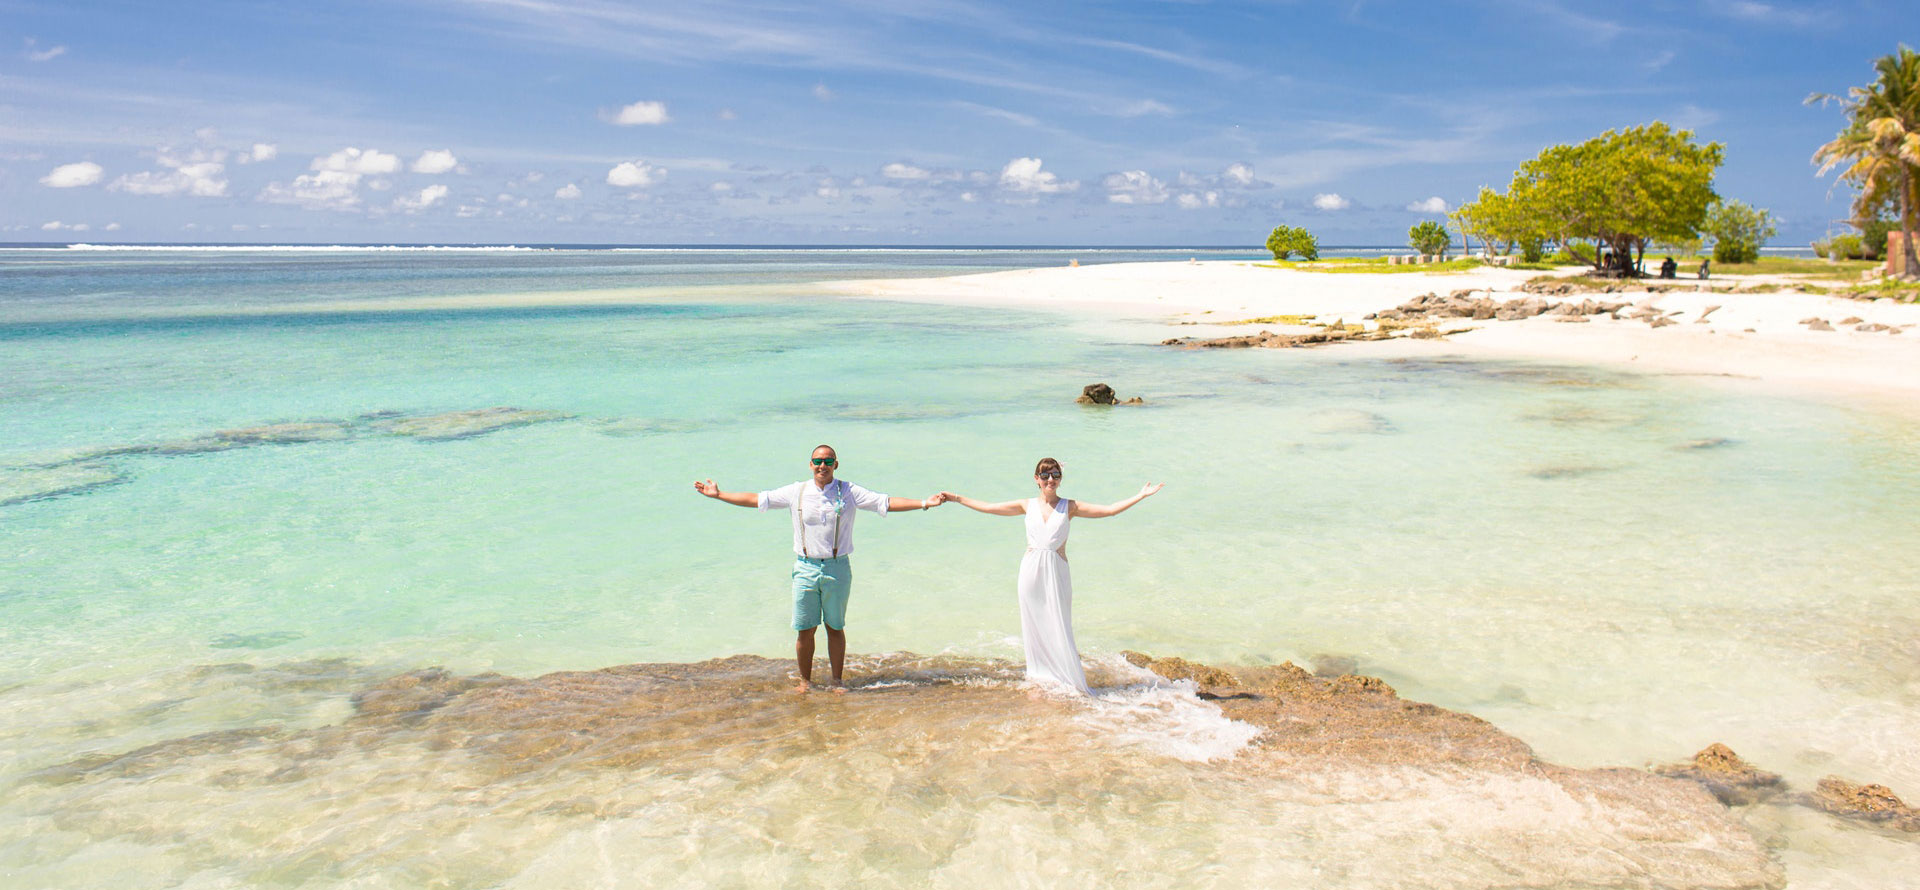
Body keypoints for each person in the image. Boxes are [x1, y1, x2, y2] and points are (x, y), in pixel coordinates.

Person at [694, 445, 943, 694]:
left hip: (838, 568)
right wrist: (719, 495)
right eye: (818, 461)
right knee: (805, 629)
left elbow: (885, 502)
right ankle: (805, 681)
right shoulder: (797, 491)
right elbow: (758, 499)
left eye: (828, 461)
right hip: (805, 567)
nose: (822, 465)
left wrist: (924, 503)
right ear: (810, 464)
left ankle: (837, 681)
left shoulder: (849, 491)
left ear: (836, 464)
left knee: (835, 627)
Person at [941, 459, 1162, 696]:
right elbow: (988, 507)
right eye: (1045, 475)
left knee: (1059, 624)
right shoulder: (1026, 505)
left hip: (1057, 572)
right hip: (1030, 573)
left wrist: (1140, 496)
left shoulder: (1070, 507)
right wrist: (956, 498)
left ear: (1060, 478)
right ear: (1036, 479)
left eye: (1055, 475)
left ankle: (1066, 678)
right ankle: (1040, 676)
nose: (1050, 480)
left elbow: (1109, 510)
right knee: (1034, 625)